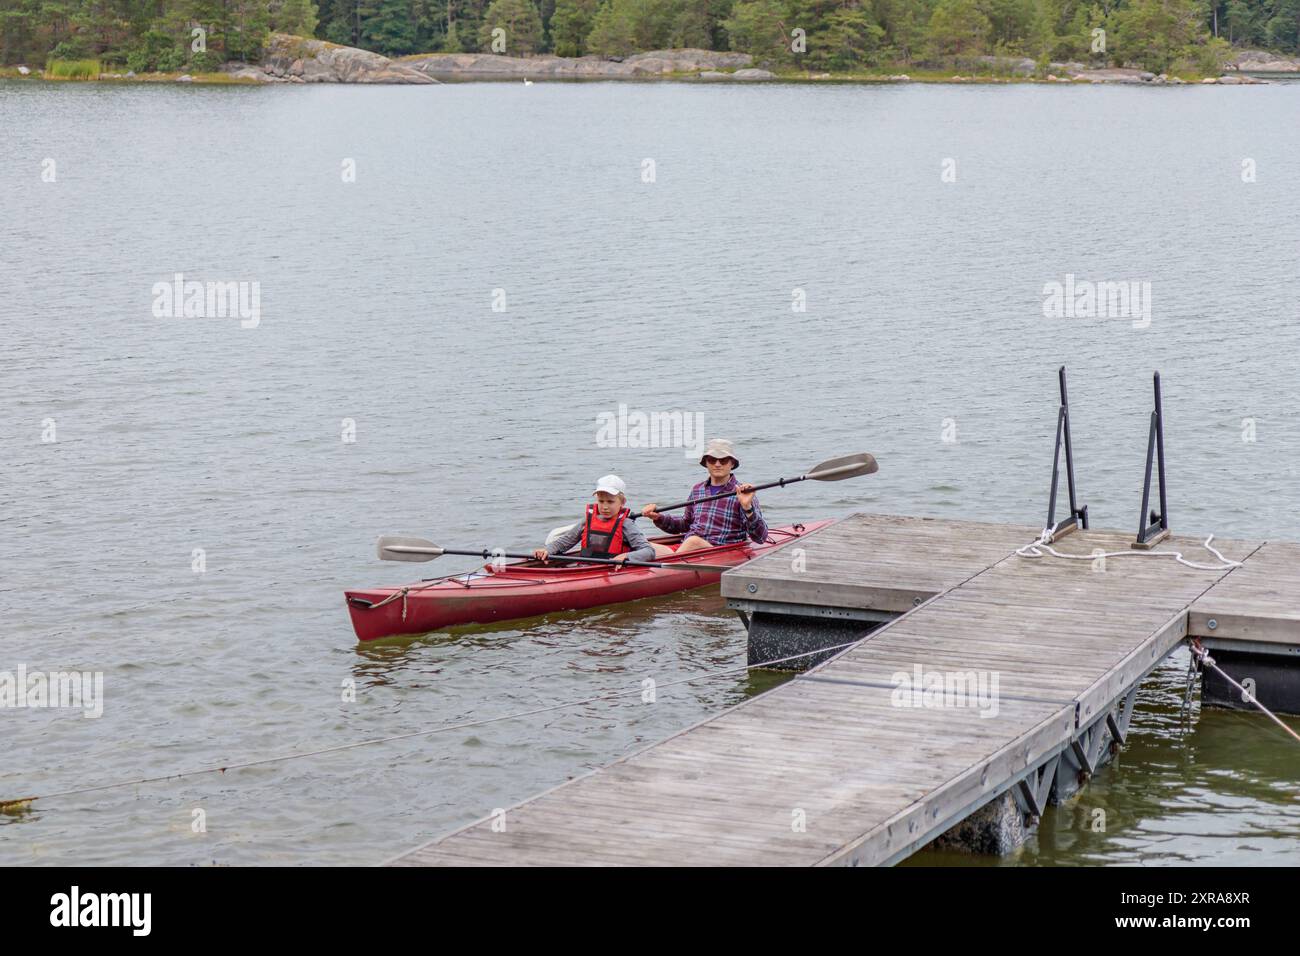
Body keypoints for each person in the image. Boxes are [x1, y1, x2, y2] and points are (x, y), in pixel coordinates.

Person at [641, 439, 766, 556]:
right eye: (712, 459)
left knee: (694, 541)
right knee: (642, 545)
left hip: (720, 552)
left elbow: (760, 537)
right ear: (706, 463)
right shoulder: (697, 489)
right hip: (688, 549)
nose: (717, 464)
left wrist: (748, 508)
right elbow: (685, 524)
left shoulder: (743, 493)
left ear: (732, 463)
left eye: (723, 460)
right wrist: (658, 517)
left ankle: (670, 565)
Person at [533, 475, 656, 564]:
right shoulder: (587, 521)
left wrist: (626, 557)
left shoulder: (626, 524)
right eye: (601, 501)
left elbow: (648, 551)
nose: (605, 506)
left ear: (622, 502)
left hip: (613, 571)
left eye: (610, 501)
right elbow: (564, 543)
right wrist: (547, 550)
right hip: (586, 568)